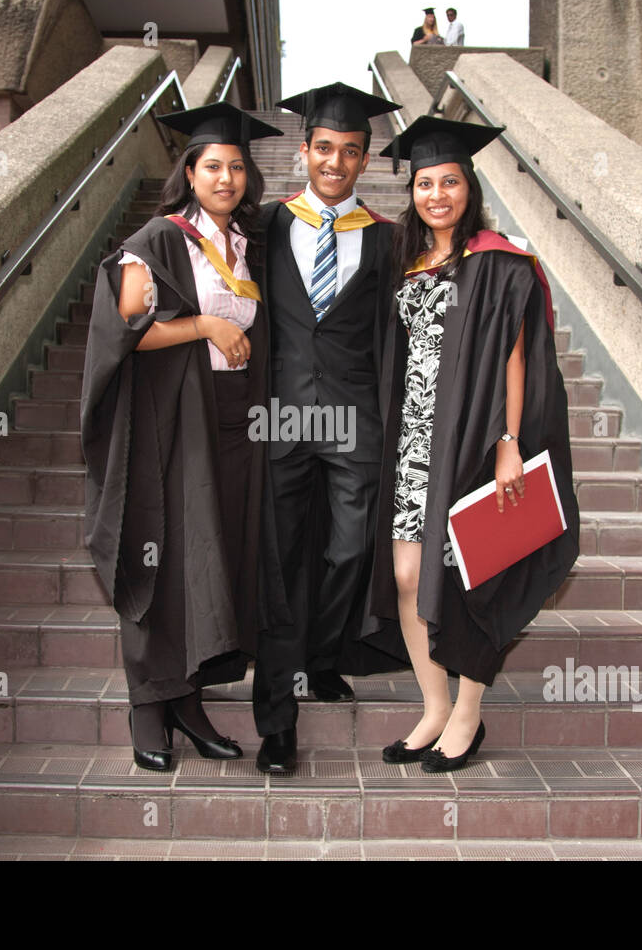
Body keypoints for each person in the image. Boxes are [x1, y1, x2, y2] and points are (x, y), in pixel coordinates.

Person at [362, 116, 580, 771]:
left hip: (477, 440)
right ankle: (432, 706)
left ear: (469, 186)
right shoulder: (409, 259)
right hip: (414, 443)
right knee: (407, 576)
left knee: (470, 576)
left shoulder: (499, 260)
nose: (436, 194)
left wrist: (510, 442)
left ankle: (468, 713)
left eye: (448, 181)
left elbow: (516, 358)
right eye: (425, 183)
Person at [79, 102, 284, 771]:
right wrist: (202, 327)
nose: (226, 177)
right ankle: (149, 706)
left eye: (236, 167)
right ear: (190, 172)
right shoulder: (162, 239)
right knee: (159, 556)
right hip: (170, 423)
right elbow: (126, 329)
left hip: (231, 422)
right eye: (213, 166)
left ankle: (188, 700)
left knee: (206, 560)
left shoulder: (246, 245)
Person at [252, 83, 404, 774]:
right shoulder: (265, 226)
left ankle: (323, 653)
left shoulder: (385, 240)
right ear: (304, 152)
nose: (335, 162)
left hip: (352, 420)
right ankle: (277, 721)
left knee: (349, 551)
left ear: (365, 160)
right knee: (281, 566)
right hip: (281, 415)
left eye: (349, 151)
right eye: (324, 149)